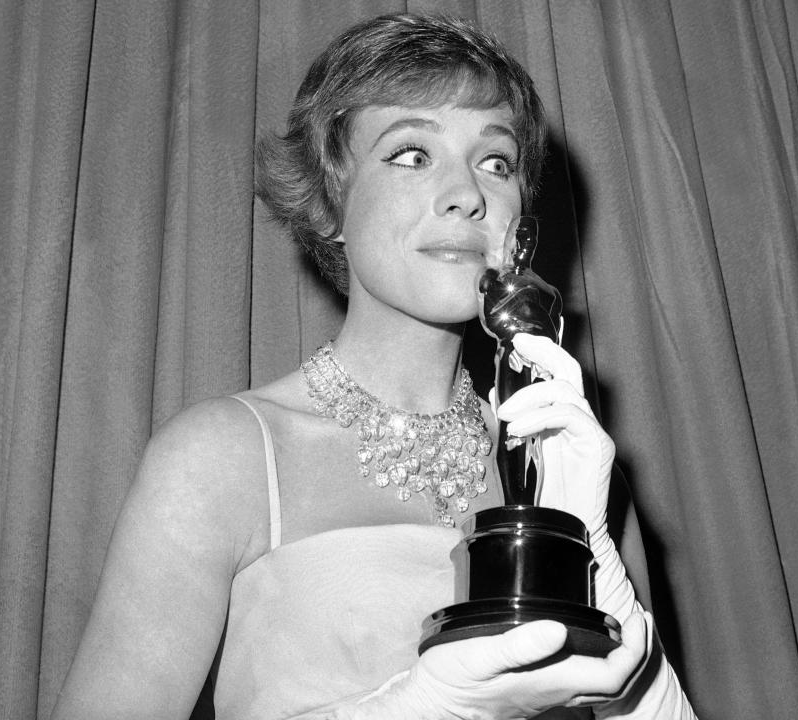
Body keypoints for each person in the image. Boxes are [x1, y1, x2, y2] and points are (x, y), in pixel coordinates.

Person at [51, 13, 696, 720]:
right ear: (331, 202)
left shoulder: (580, 472)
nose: (468, 193)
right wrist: (427, 706)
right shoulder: (220, 458)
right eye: (411, 154)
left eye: (496, 161)